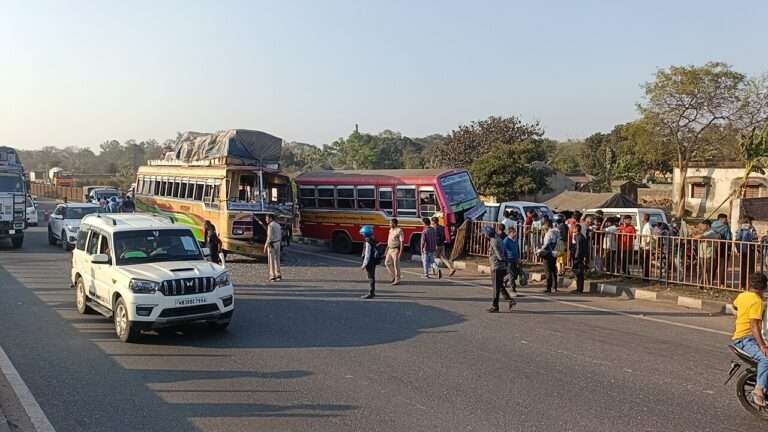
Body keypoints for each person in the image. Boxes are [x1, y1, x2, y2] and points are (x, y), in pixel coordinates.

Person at [731, 273, 768, 406]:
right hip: (745, 340)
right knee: (766, 358)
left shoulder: (743, 296)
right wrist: (763, 346)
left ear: (749, 284)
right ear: (764, 287)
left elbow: (734, 305)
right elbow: (754, 326)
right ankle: (759, 390)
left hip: (744, 336)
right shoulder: (757, 302)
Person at [485, 225, 515, 312]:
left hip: (496, 266)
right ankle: (510, 300)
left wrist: (501, 259)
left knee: (496, 287)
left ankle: (495, 306)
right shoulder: (499, 239)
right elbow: (504, 252)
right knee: (500, 285)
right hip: (501, 266)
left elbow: (498, 254)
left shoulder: (493, 241)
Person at [694, 219, 720, 286]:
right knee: (702, 270)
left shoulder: (711, 232)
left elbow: (698, 237)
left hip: (709, 254)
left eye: (703, 226)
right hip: (703, 254)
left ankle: (708, 285)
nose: (702, 227)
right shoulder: (706, 232)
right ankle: (701, 284)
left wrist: (696, 234)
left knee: (708, 271)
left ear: (707, 226)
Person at [736, 217, 757, 288]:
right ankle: (750, 285)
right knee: (751, 269)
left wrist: (738, 250)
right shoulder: (752, 229)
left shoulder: (740, 229)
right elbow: (755, 239)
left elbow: (737, 240)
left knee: (743, 268)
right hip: (750, 250)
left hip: (742, 251)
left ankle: (743, 285)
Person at [540, 217, 560, 293]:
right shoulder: (557, 231)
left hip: (548, 253)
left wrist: (540, 250)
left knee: (547, 270)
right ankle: (554, 287)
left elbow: (546, 244)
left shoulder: (549, 233)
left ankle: (548, 287)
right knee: (553, 270)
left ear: (546, 225)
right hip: (554, 252)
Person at [712, 213, 732, 286]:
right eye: (725, 219)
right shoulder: (725, 227)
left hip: (713, 247)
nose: (726, 220)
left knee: (713, 265)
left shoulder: (712, 225)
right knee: (722, 266)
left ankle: (710, 281)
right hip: (723, 247)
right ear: (721, 219)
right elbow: (728, 238)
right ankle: (721, 283)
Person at [384, 218, 404, 285]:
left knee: (396, 265)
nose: (389, 224)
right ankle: (393, 276)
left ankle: (397, 279)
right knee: (387, 263)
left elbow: (402, 242)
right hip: (389, 249)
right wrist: (386, 250)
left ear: (394, 223)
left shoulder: (399, 230)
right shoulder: (390, 230)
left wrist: (400, 252)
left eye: (390, 223)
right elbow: (389, 240)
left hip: (395, 250)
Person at [360, 225, 377, 299]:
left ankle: (371, 293)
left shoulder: (368, 242)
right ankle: (373, 292)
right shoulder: (373, 239)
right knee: (372, 276)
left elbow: (367, 254)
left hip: (369, 262)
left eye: (363, 233)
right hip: (373, 261)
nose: (362, 235)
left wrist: (364, 265)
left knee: (370, 277)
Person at [264, 213, 282, 281]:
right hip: (278, 243)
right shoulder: (278, 225)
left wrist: (265, 246)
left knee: (271, 260)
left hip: (272, 244)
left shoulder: (270, 226)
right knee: (277, 259)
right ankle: (278, 274)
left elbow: (269, 237)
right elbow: (280, 235)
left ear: (270, 218)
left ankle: (272, 275)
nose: (266, 220)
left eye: (267, 218)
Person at [502, 226, 521, 295]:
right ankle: (513, 289)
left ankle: (503, 280)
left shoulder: (515, 240)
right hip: (509, 259)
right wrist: (504, 259)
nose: (515, 234)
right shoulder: (506, 240)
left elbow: (517, 249)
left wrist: (519, 258)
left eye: (515, 232)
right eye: (513, 232)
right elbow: (503, 250)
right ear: (510, 233)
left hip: (515, 259)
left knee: (515, 274)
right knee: (512, 274)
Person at [572, 223, 588, 294]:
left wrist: (576, 257)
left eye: (574, 228)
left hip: (579, 257)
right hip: (581, 256)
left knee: (579, 273)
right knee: (579, 273)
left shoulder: (579, 237)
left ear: (576, 229)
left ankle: (579, 289)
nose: (573, 229)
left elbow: (578, 248)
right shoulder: (580, 236)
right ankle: (579, 288)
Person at [640, 214, 653, 279]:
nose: (641, 219)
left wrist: (645, 243)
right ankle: (645, 276)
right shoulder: (646, 225)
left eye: (642, 218)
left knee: (645, 263)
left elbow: (649, 237)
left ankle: (646, 277)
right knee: (644, 262)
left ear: (644, 218)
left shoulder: (647, 226)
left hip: (646, 247)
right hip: (645, 247)